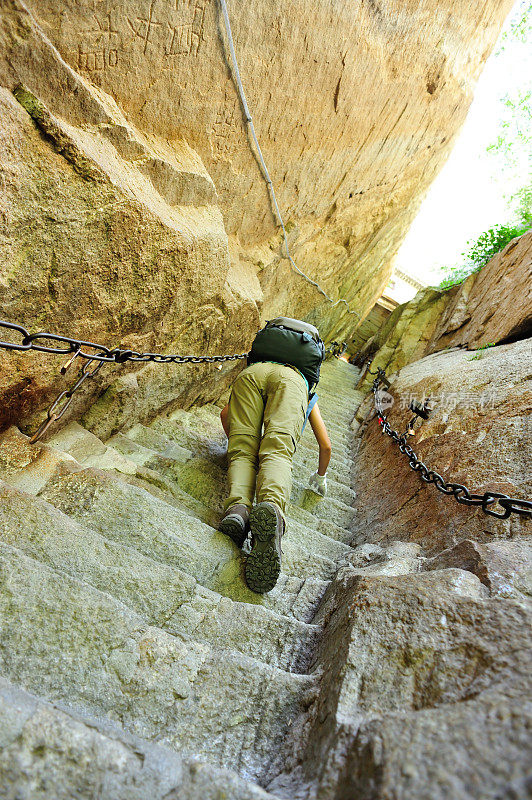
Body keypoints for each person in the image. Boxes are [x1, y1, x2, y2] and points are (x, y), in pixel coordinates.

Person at [218, 360, 331, 594]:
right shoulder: (304, 387)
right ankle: (271, 510)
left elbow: (225, 414)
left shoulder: (258, 365)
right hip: (291, 385)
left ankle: (238, 510)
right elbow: (326, 446)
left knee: (242, 452)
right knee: (277, 452)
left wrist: (243, 447)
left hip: (250, 375)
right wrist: (321, 476)